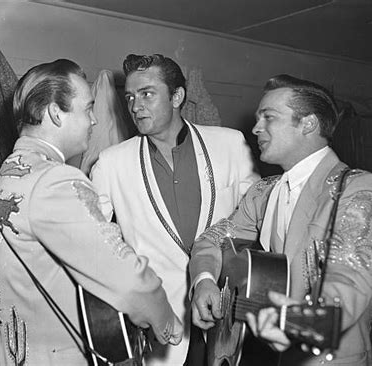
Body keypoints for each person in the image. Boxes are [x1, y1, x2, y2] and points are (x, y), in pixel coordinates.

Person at [0, 59, 183, 366]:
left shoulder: (6, 176)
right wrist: (165, 318)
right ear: (54, 113)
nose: (94, 121)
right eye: (87, 109)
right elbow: (127, 278)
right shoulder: (54, 181)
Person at [190, 74, 372, 365]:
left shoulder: (355, 189)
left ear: (308, 123)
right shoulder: (263, 192)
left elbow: (350, 281)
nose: (255, 127)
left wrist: (304, 323)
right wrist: (204, 280)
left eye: (269, 117)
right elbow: (211, 240)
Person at [91, 54, 259, 365]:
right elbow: (94, 245)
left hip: (226, 315)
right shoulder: (110, 163)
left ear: (178, 96)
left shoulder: (230, 145)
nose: (135, 106)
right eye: (129, 97)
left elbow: (257, 222)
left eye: (147, 94)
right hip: (159, 327)